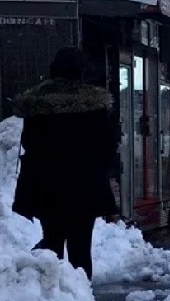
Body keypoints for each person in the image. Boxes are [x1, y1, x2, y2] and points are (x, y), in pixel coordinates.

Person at [12, 47, 119, 279]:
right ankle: (81, 299)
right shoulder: (95, 106)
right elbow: (109, 145)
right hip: (85, 188)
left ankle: (54, 296)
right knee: (81, 247)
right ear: (81, 72)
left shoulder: (38, 106)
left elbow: (29, 143)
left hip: (47, 187)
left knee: (52, 241)